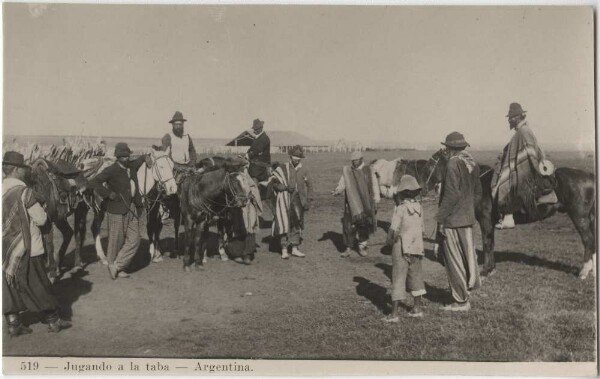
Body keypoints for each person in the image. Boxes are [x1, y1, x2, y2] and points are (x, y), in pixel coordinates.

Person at [2, 151, 71, 336]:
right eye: (23, 169)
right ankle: (53, 320)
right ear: (16, 170)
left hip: (5, 249)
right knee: (38, 283)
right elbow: (40, 219)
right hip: (27, 247)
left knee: (8, 285)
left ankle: (14, 323)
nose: (26, 172)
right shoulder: (25, 193)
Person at [491, 103, 557, 229]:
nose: (509, 120)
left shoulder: (523, 132)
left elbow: (530, 153)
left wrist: (531, 168)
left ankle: (509, 217)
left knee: (508, 185)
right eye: (509, 117)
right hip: (526, 167)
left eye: (511, 117)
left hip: (527, 170)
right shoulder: (522, 131)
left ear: (518, 117)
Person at [436, 132, 482, 311]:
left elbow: (451, 194)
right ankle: (466, 292)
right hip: (467, 219)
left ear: (449, 148)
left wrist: (441, 219)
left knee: (454, 260)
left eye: (446, 147)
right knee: (467, 258)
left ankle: (460, 300)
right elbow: (478, 193)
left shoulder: (453, 163)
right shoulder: (472, 163)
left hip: (453, 220)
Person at [89, 143, 146, 280]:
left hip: (131, 208)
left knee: (135, 238)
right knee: (116, 240)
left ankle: (117, 265)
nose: (126, 158)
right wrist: (108, 194)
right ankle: (115, 266)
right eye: (123, 156)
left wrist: (145, 156)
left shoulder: (131, 167)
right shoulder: (111, 170)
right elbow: (94, 182)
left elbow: (139, 160)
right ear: (117, 157)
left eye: (128, 155)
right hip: (116, 210)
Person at [384, 175, 427, 321]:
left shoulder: (400, 209)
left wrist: (388, 242)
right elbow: (422, 229)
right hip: (417, 247)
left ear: (401, 193)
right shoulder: (420, 208)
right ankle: (417, 308)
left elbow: (394, 230)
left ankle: (394, 314)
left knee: (398, 277)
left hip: (401, 247)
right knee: (416, 277)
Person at [271, 145, 313, 259]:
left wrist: (308, 200)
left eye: (298, 158)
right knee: (285, 223)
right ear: (290, 157)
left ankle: (294, 248)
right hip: (285, 200)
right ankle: (284, 249)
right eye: (294, 158)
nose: (296, 160)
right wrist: (284, 188)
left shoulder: (304, 169)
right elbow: (274, 182)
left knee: (297, 223)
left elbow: (310, 185)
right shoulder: (282, 168)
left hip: (299, 200)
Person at [332, 151, 376, 257]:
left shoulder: (368, 170)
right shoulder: (348, 171)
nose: (354, 162)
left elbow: (374, 185)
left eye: (356, 160)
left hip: (366, 204)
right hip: (351, 203)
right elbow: (343, 183)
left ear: (361, 159)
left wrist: (376, 199)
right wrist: (337, 191)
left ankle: (362, 247)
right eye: (353, 161)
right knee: (348, 225)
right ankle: (348, 248)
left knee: (364, 225)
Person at [224, 159, 263, 265]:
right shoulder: (231, 178)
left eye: (243, 166)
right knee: (238, 229)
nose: (243, 168)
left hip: (249, 207)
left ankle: (247, 254)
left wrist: (252, 194)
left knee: (250, 229)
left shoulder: (246, 177)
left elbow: (253, 188)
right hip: (237, 208)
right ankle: (236, 254)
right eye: (241, 166)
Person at [247, 118, 271, 183]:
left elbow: (258, 150)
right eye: (254, 129)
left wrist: (249, 155)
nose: (254, 131)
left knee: (253, 177)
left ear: (261, 129)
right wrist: (247, 153)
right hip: (256, 163)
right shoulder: (257, 137)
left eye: (256, 129)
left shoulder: (264, 138)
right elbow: (251, 148)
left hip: (261, 165)